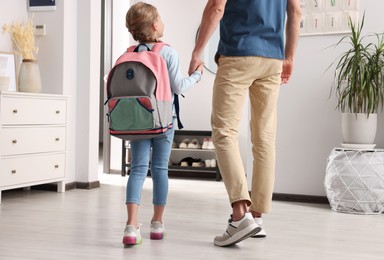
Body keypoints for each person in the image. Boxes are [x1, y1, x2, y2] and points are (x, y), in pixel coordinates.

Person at [188, 0, 301, 247]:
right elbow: (295, 11)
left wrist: (197, 52)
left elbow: (216, 7)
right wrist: (289, 56)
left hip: (238, 53)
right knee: (264, 137)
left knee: (224, 132)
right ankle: (257, 219)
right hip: (272, 58)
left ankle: (240, 215)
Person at [123, 2, 203, 245]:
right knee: (159, 170)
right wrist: (197, 75)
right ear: (155, 25)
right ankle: (157, 224)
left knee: (137, 170)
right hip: (164, 121)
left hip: (137, 122)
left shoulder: (129, 53)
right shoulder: (167, 52)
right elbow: (178, 86)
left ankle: (130, 226)